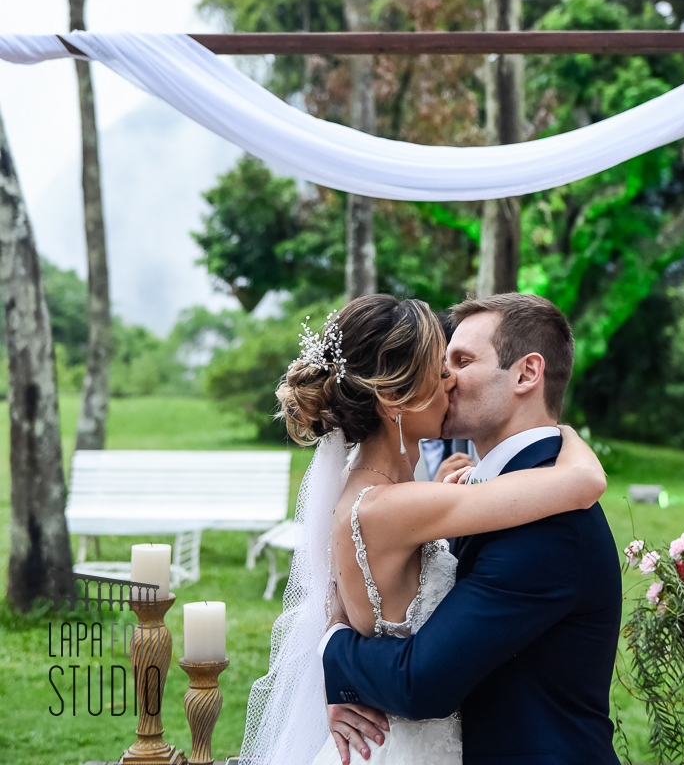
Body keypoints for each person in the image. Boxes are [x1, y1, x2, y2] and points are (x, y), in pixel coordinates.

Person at [238, 293, 607, 765]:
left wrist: (338, 655)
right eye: (441, 365)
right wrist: (570, 439)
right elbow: (584, 481)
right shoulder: (403, 504)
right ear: (393, 398)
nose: (448, 378)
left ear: (527, 374)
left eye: (462, 361)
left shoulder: (540, 521)